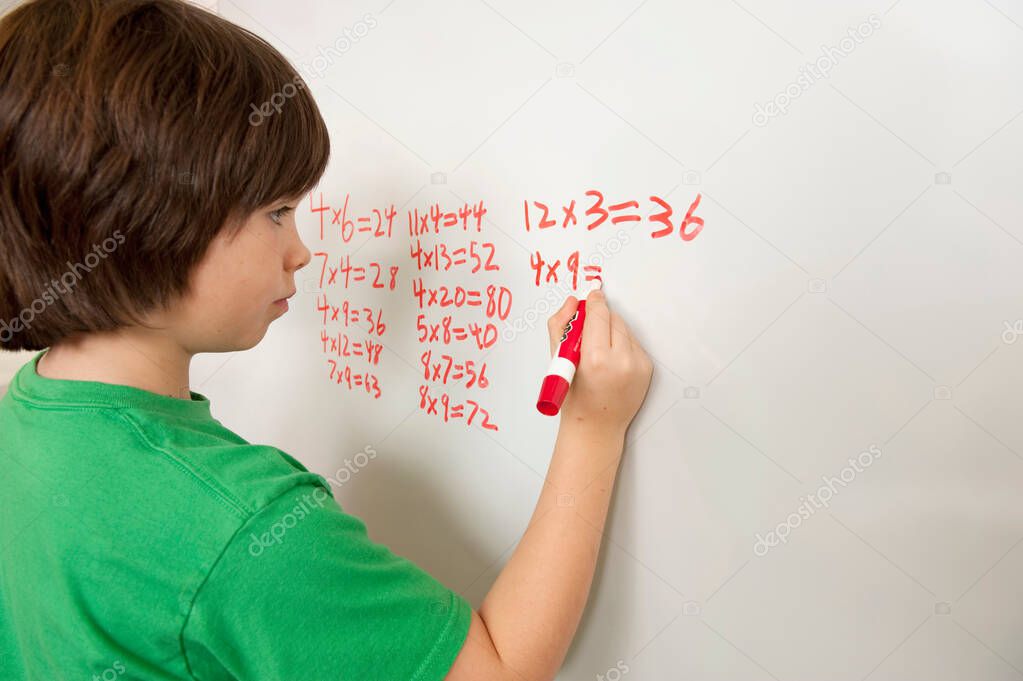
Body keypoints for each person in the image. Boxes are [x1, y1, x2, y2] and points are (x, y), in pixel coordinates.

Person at [0, 1, 653, 679]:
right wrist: (592, 427)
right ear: (148, 221)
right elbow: (499, 671)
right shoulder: (242, 528)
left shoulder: (25, 414)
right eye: (277, 213)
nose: (302, 251)